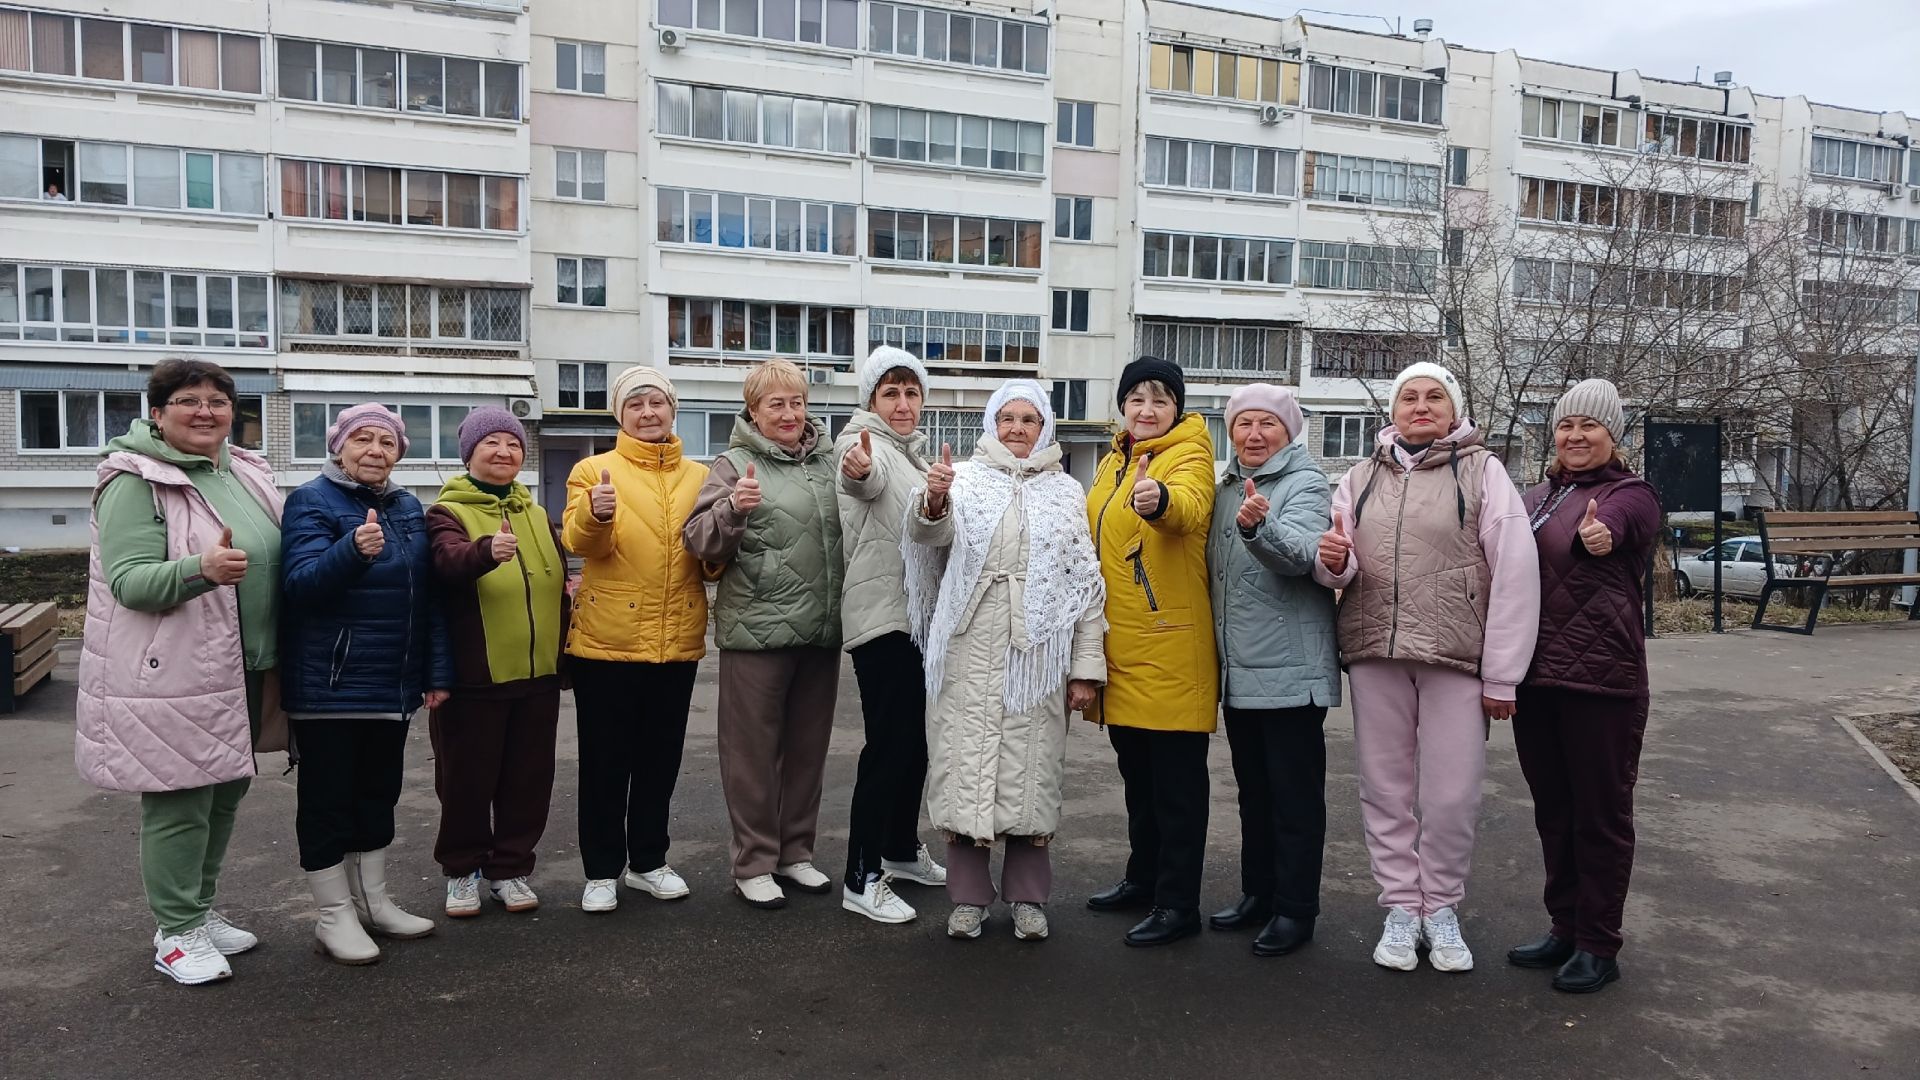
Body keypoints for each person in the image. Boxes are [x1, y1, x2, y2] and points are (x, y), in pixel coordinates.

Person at [1314, 361, 1540, 973]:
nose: (1420, 406)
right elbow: (1338, 564)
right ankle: (1400, 907)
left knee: (1451, 796)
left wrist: (1503, 675)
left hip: (1455, 657)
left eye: (1434, 397)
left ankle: (1440, 907)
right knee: (1384, 790)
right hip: (1376, 653)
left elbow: (1516, 572)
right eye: (1409, 397)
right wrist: (1331, 562)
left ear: (1454, 409)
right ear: (1392, 410)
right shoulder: (1360, 476)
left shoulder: (1483, 471)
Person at [76, 358, 284, 985]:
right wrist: (202, 570)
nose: (205, 411)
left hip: (246, 664)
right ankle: (175, 932)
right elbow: (130, 582)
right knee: (181, 801)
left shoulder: (243, 470)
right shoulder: (134, 481)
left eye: (217, 401)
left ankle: (198, 910)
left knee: (224, 793)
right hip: (176, 672)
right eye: (188, 400)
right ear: (157, 412)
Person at [903, 380, 1106, 941]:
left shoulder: (1066, 492)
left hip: (1036, 655)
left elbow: (1085, 586)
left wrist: (1086, 669)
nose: (1017, 428)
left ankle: (1027, 899)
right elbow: (929, 538)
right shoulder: (963, 480)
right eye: (1008, 418)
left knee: (1030, 775)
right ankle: (968, 899)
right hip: (967, 649)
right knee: (964, 773)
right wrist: (934, 500)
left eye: (1029, 419)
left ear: (1045, 427)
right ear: (992, 424)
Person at [280, 404, 447, 964]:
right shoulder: (310, 500)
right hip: (330, 684)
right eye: (362, 439)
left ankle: (373, 902)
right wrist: (350, 551)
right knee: (328, 803)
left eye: (387, 442)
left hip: (391, 685)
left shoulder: (407, 506)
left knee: (378, 795)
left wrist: (434, 672)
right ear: (339, 446)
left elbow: (425, 598)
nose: (375, 450)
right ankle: (334, 915)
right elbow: (301, 586)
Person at [1510, 379, 1661, 994]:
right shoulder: (1536, 496)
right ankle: (1565, 926)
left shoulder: (1631, 494)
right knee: (1554, 811)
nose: (1575, 436)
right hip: (1535, 678)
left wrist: (1601, 536)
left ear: (1612, 434)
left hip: (1602, 683)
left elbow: (1617, 528)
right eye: (1566, 425)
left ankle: (1599, 943)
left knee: (1600, 815)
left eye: (1589, 426)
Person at [683, 360, 844, 909]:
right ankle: (753, 861)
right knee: (751, 756)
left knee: (807, 751)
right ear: (753, 411)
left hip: (820, 628)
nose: (789, 413)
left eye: (797, 402)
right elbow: (700, 541)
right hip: (757, 629)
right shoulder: (732, 464)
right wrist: (732, 509)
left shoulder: (828, 461)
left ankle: (795, 853)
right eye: (776, 404)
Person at [561, 366, 711, 913]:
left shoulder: (700, 476)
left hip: (677, 638)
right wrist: (596, 515)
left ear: (672, 410)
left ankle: (649, 862)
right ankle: (601, 871)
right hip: (608, 642)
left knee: (660, 760)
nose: (648, 413)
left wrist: (731, 531)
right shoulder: (592, 469)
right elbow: (581, 542)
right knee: (604, 762)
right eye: (635, 404)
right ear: (620, 415)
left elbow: (711, 557)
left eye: (657, 403)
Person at [1084, 356, 1220, 947]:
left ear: (1177, 408)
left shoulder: (1189, 455)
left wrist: (1159, 500)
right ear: (1122, 406)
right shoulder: (1113, 460)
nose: (1147, 409)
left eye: (1160, 399)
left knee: (1176, 790)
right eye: (1136, 398)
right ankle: (1143, 880)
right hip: (1122, 645)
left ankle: (1177, 903)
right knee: (1138, 780)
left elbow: (1188, 506)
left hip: (1170, 645)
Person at [1206, 384, 1341, 958]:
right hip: (1240, 671)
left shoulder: (1306, 483)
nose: (1254, 434)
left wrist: (1260, 527)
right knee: (1254, 794)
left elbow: (1305, 556)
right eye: (1244, 423)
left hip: (1291, 671)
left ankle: (1295, 909)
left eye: (1268, 424)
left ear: (1289, 432)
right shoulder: (1226, 487)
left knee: (1294, 800)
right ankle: (1258, 894)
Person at [426, 408, 567, 917]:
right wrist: (486, 551)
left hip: (537, 676)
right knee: (466, 782)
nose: (504, 451)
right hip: (475, 678)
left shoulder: (536, 513)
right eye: (491, 443)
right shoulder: (445, 512)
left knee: (528, 781)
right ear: (469, 453)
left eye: (513, 443)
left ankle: (510, 869)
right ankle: (462, 872)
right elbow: (445, 562)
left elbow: (557, 583)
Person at [833, 347, 948, 925]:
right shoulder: (864, 445)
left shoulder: (912, 455)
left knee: (915, 744)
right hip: (883, 620)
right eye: (890, 393)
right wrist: (857, 469)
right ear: (871, 400)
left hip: (916, 621)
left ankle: (899, 849)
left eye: (911, 392)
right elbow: (861, 478)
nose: (902, 404)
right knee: (888, 746)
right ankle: (861, 876)